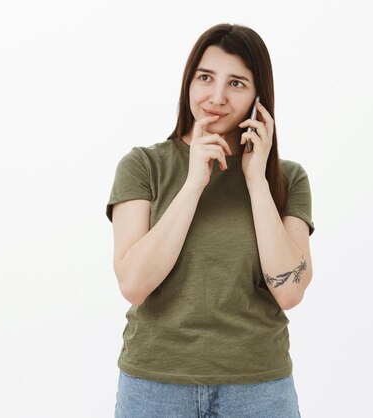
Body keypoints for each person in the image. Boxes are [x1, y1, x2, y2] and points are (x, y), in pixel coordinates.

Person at [106, 23, 314, 418]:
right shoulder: (143, 166)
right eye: (206, 78)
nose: (216, 97)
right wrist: (194, 183)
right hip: (155, 385)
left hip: (258, 387)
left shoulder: (286, 179)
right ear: (189, 82)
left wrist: (255, 179)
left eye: (237, 83)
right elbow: (133, 285)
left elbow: (289, 292)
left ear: (258, 98)